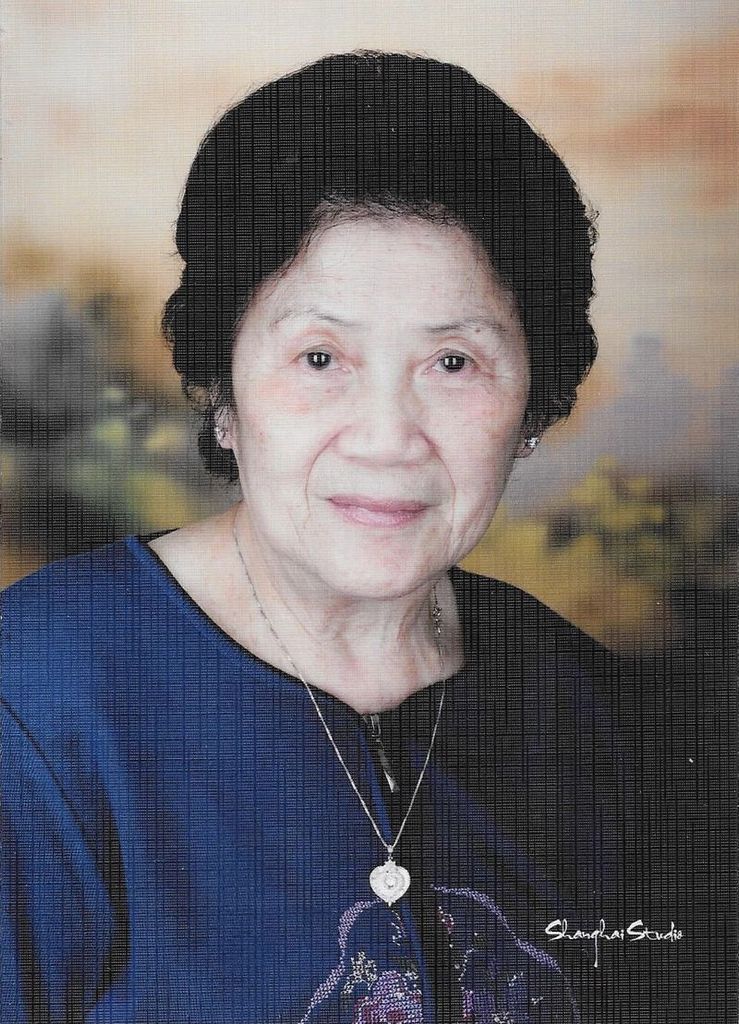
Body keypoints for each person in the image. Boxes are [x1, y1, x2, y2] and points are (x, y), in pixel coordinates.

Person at [1, 50, 732, 1023]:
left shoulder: (602, 718)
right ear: (222, 389)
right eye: (320, 357)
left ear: (532, 404)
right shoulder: (37, 700)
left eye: (453, 361)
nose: (387, 437)